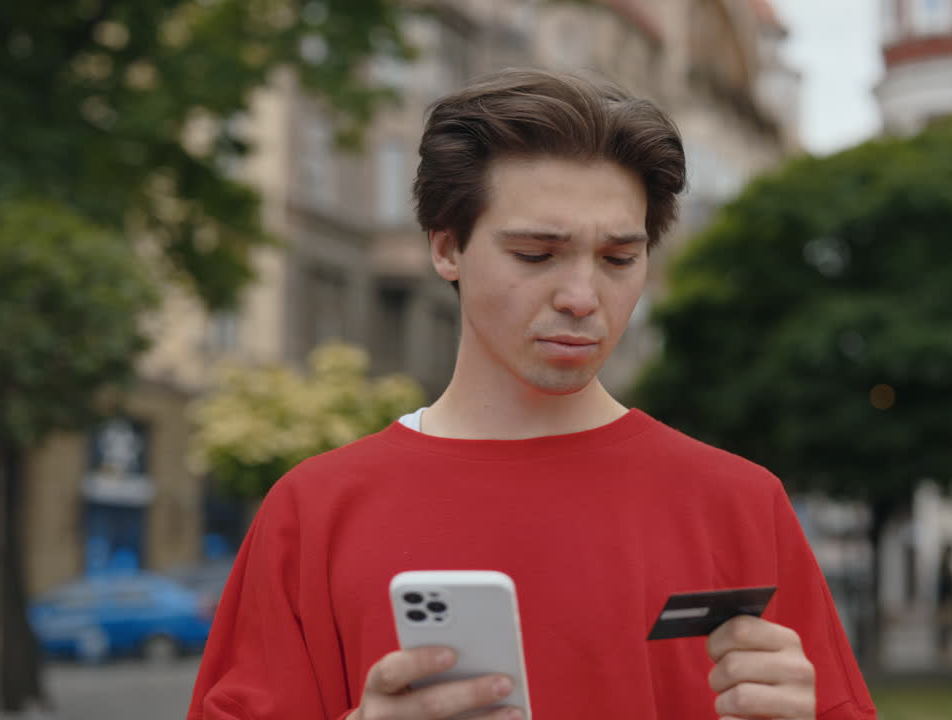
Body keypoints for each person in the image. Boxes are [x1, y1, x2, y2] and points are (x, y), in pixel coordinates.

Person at [187, 69, 875, 720]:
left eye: (618, 259)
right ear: (447, 247)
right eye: (536, 255)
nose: (582, 298)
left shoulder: (740, 506)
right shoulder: (313, 515)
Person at [935, 543, 952, 668]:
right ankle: (945, 654)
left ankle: (946, 653)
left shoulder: (945, 568)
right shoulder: (944, 568)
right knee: (946, 629)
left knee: (948, 629)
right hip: (946, 603)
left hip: (947, 602)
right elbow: (945, 588)